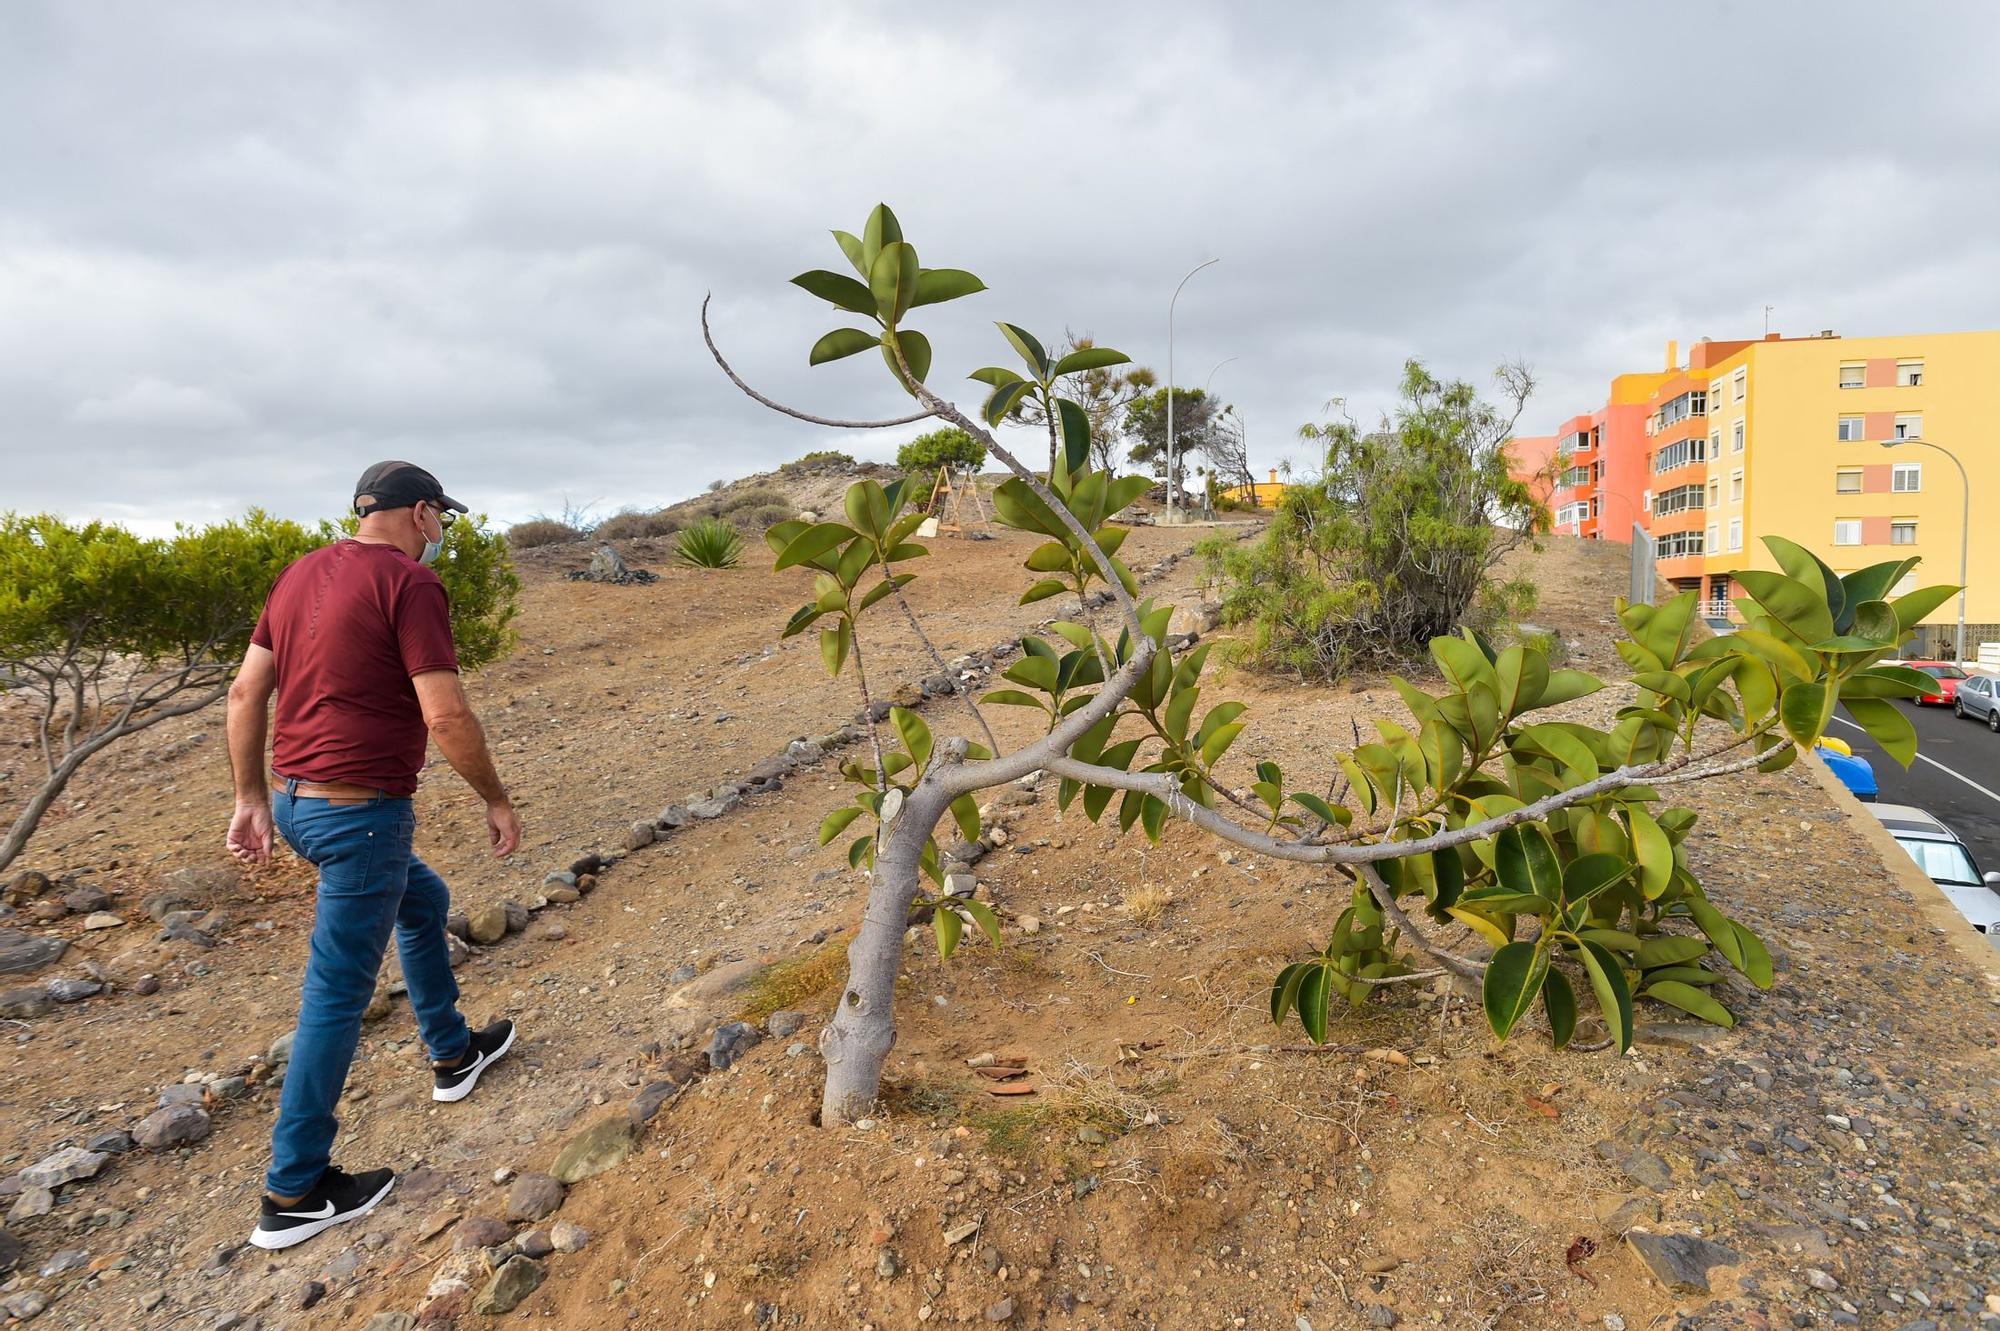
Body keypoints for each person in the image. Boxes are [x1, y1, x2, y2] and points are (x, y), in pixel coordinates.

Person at [224, 461, 523, 1251]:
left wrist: (251, 797)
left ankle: (453, 1051)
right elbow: (446, 711)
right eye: (442, 520)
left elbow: (245, 692)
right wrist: (495, 796)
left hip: (295, 802)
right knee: (335, 992)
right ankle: (294, 1189)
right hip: (360, 816)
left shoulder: (298, 574)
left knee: (420, 902)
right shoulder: (410, 584)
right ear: (421, 513)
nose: (441, 534)